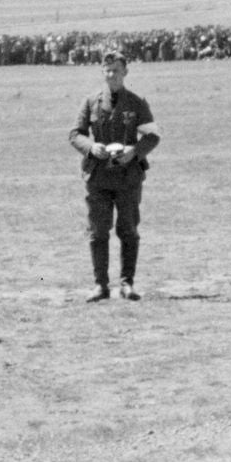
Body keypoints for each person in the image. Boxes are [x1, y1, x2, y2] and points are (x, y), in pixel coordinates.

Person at [70, 51, 161, 302]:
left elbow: (153, 135)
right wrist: (90, 147)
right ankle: (100, 286)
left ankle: (127, 284)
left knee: (128, 230)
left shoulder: (136, 102)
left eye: (116, 70)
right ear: (103, 73)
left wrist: (135, 151)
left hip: (127, 177)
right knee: (98, 231)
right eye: (107, 70)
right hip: (98, 177)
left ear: (125, 73)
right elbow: (75, 134)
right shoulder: (90, 102)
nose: (112, 75)